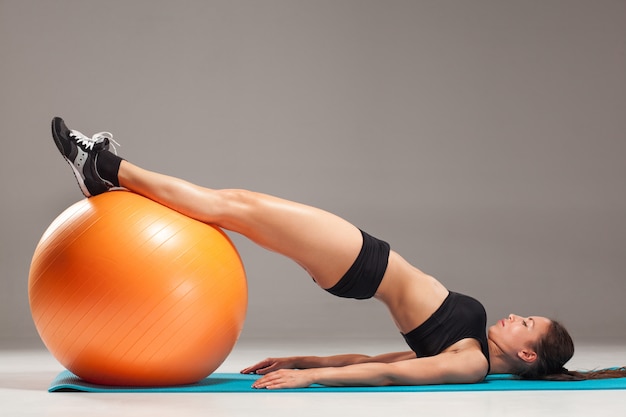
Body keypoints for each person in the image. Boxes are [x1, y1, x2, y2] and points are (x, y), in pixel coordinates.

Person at [50, 117, 625, 389]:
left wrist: (311, 383)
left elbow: (391, 380)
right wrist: (303, 361)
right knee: (236, 207)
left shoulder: (471, 362)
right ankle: (106, 172)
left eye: (526, 324)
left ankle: (104, 168)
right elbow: (380, 361)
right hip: (359, 264)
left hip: (362, 262)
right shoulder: (471, 347)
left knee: (235, 206)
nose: (516, 316)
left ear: (528, 356)